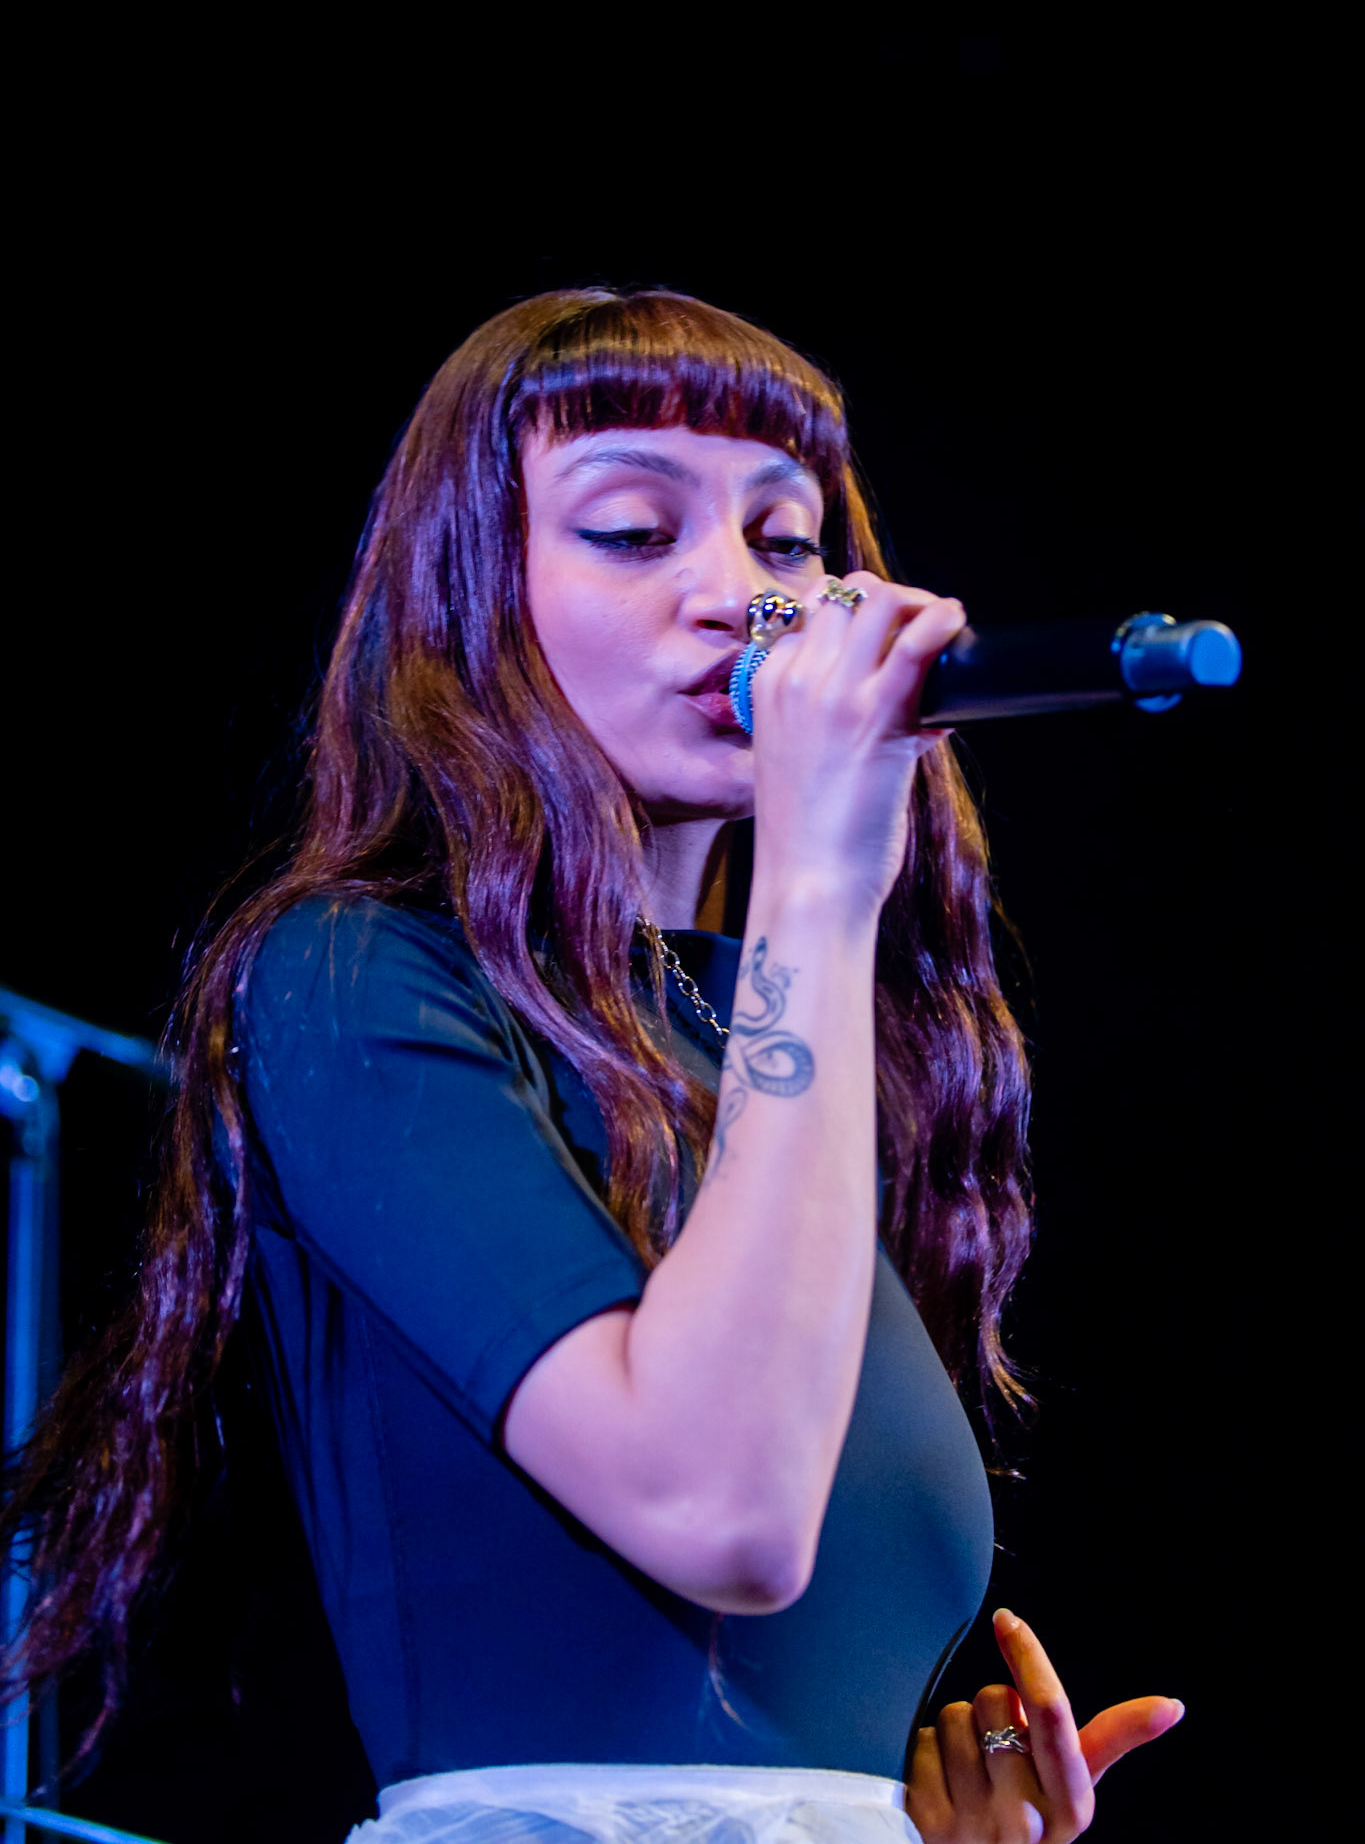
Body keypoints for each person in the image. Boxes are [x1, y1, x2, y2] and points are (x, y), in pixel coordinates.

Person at [2, 289, 1182, 1841]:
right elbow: (720, 1513)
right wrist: (817, 890)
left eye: (782, 541)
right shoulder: (355, 978)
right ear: (472, 598)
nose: (738, 600)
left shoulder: (761, 1057)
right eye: (633, 531)